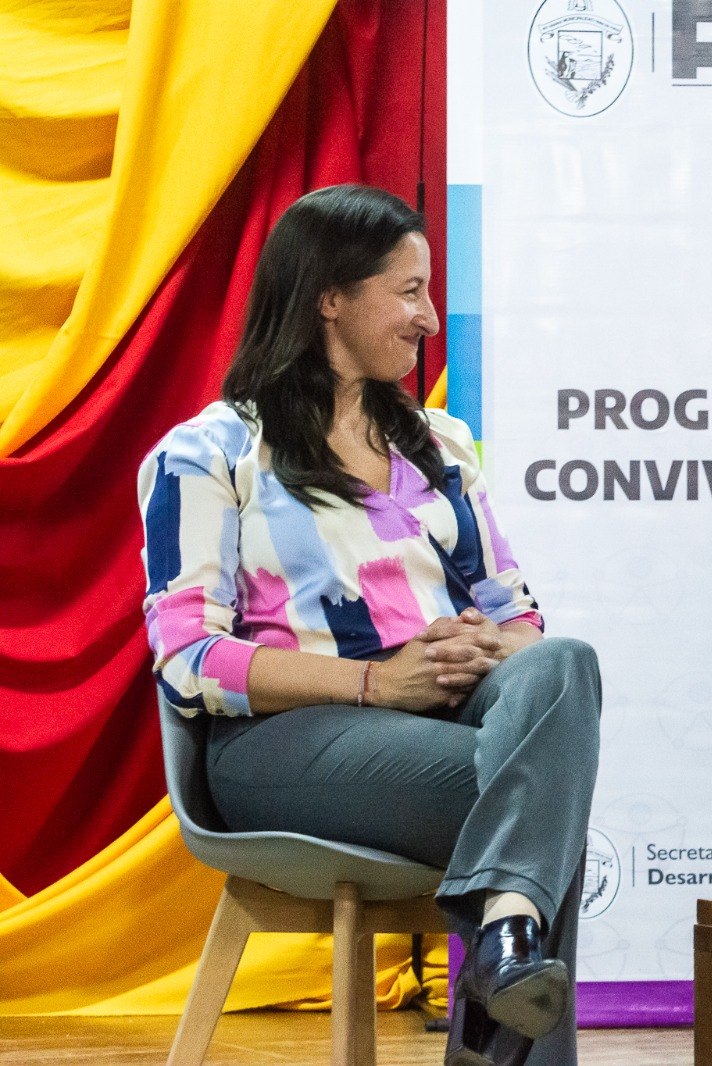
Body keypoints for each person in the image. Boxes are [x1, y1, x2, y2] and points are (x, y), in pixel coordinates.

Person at [138, 184, 600, 1066]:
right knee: (544, 792)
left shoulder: (442, 445)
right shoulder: (210, 453)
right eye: (409, 291)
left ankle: (504, 937)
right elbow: (189, 659)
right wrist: (378, 681)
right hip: (285, 744)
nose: (430, 318)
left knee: (563, 667)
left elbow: (522, 621)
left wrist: (486, 644)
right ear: (331, 298)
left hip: (446, 717)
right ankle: (503, 975)